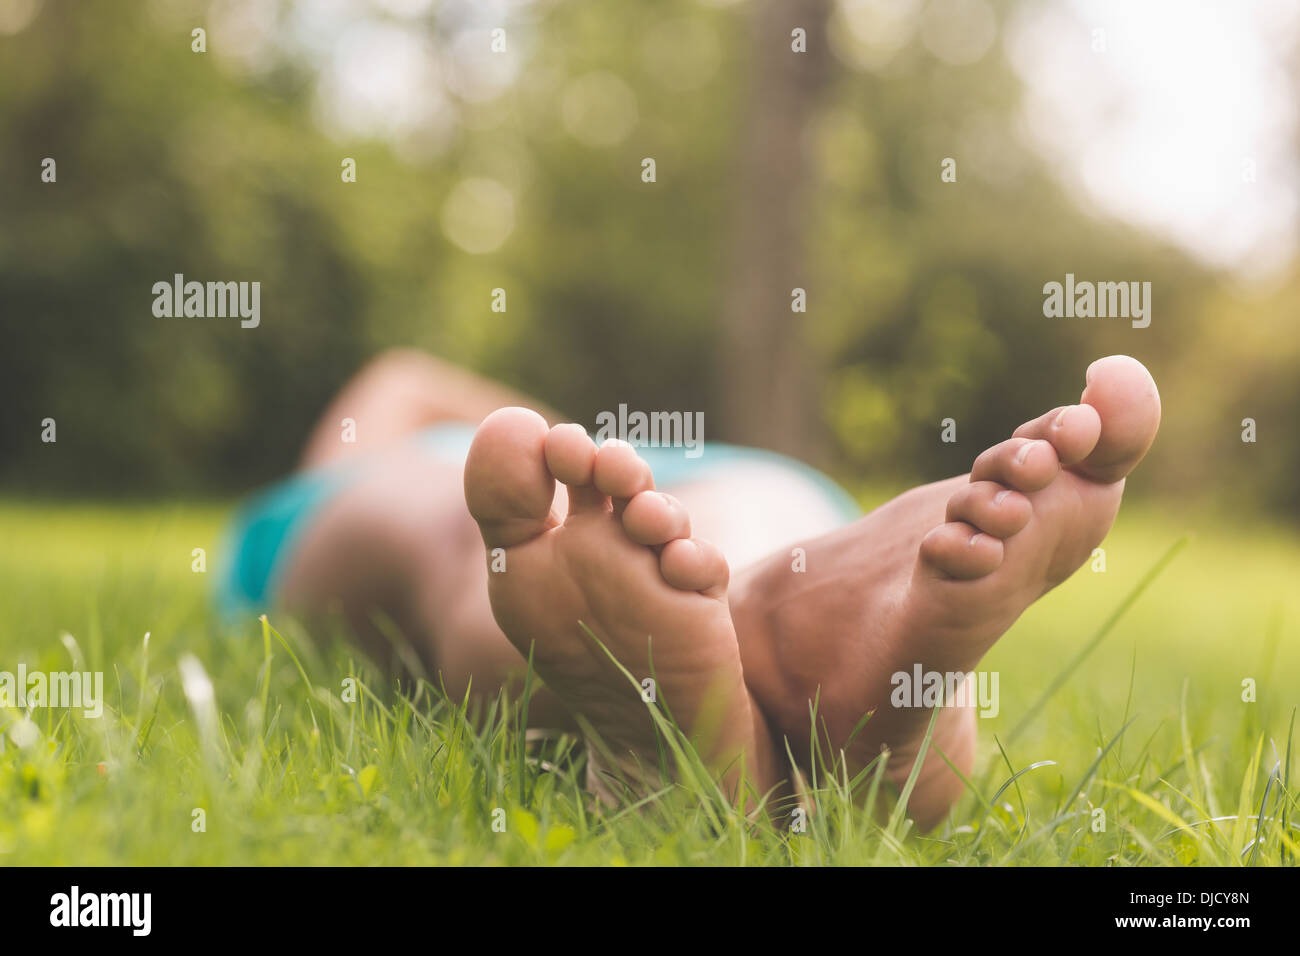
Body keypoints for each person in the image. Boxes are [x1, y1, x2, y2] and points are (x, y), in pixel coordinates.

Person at [217, 349, 1161, 828]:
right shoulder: (631, 473)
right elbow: (422, 382)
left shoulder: (336, 478)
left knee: (456, 535)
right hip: (746, 480)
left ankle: (693, 698)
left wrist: (562, 458)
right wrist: (573, 436)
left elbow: (400, 376)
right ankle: (816, 654)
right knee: (745, 527)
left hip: (544, 495)